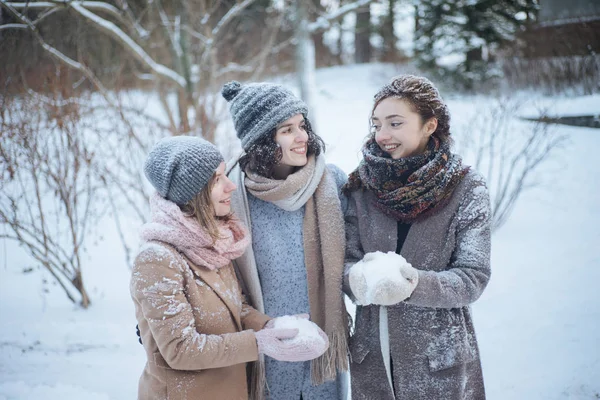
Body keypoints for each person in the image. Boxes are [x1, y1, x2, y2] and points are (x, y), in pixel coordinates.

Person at [130, 136, 327, 400]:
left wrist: (270, 326)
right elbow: (179, 349)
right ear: (193, 192)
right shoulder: (157, 260)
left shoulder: (213, 242)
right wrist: (257, 343)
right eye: (218, 179)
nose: (231, 186)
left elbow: (236, 307)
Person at [343, 75, 491, 399]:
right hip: (374, 359)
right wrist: (356, 279)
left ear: (429, 125)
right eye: (376, 124)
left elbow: (473, 276)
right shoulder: (361, 188)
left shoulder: (466, 189)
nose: (383, 135)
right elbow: (346, 261)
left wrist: (413, 285)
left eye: (395, 123)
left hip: (440, 362)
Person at [221, 81, 350, 400]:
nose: (303, 136)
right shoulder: (233, 198)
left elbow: (358, 254)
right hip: (268, 355)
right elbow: (216, 277)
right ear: (262, 139)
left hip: (324, 356)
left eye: (302, 125)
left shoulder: (332, 183)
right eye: (287, 129)